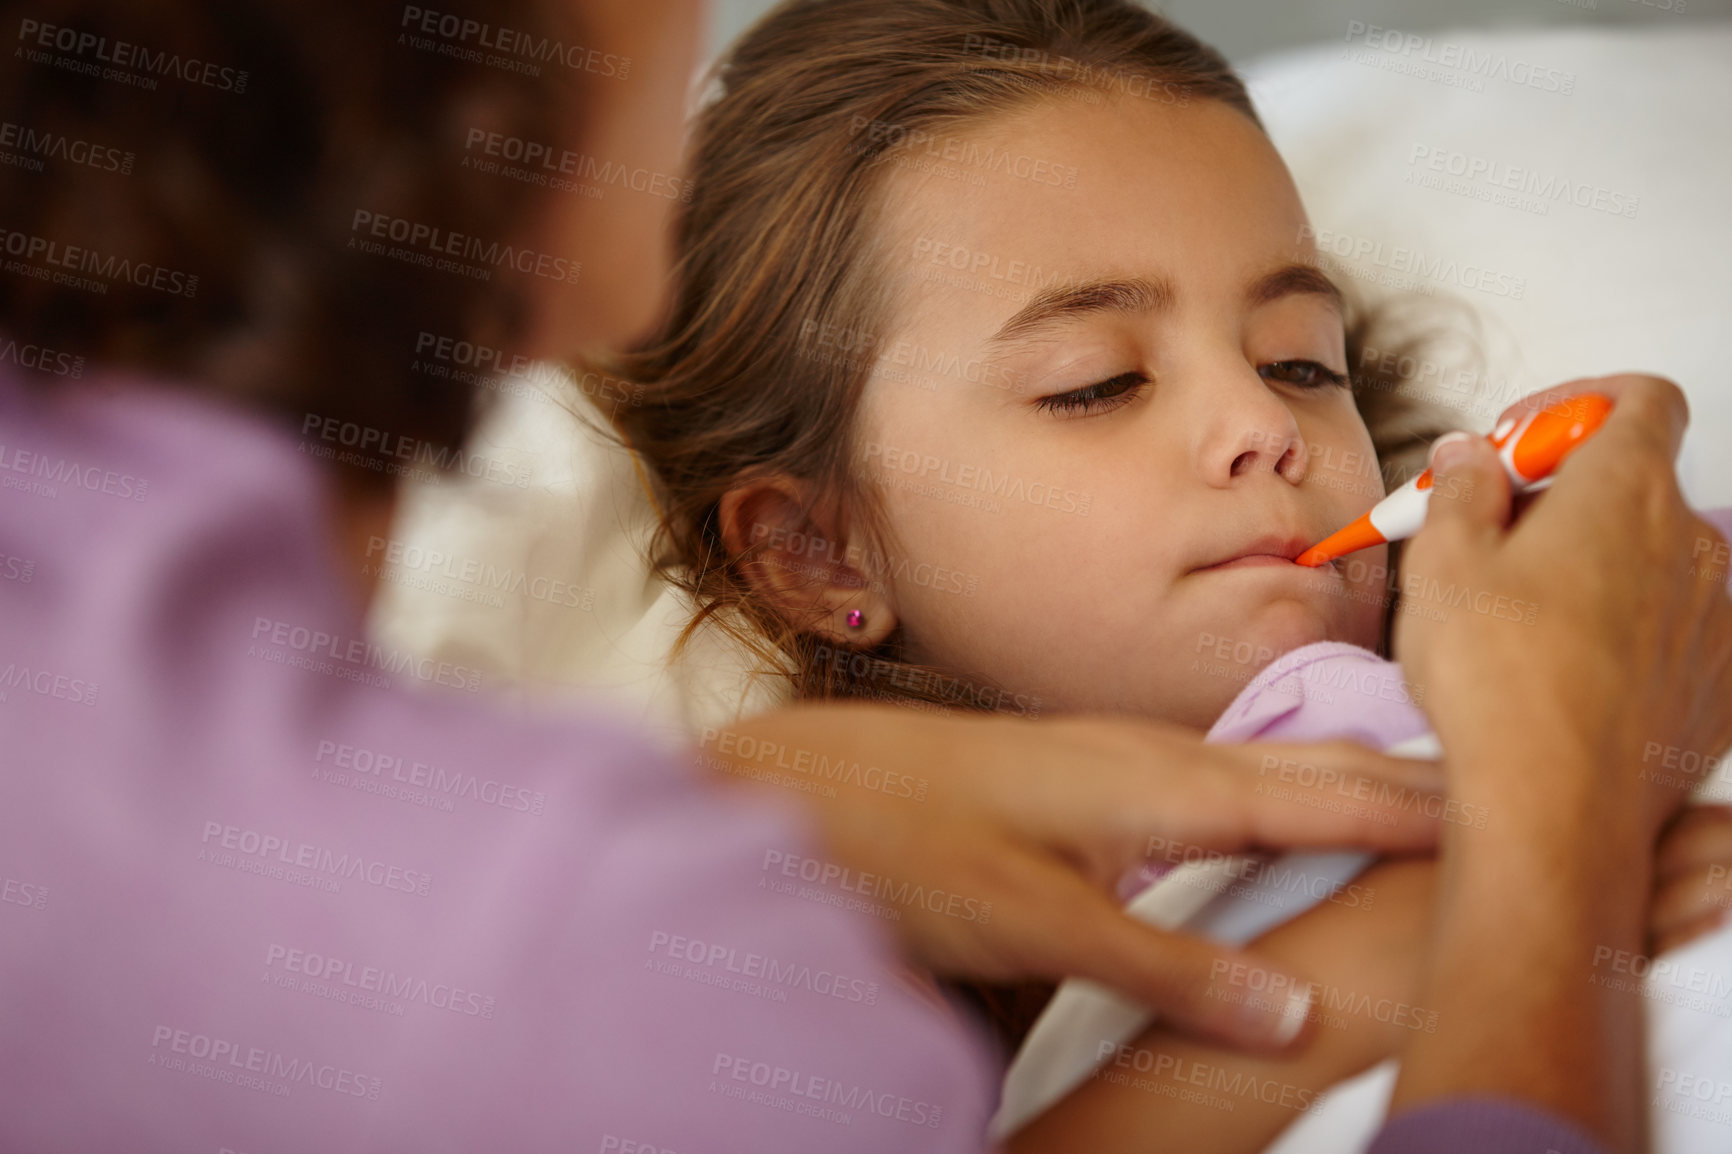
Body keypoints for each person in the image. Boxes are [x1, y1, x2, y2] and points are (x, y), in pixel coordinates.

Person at [0, 3, 1724, 1154]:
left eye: (1300, 364)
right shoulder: (636, 968)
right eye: (1094, 384)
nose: (1259, 432)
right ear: (819, 554)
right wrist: (1553, 814)